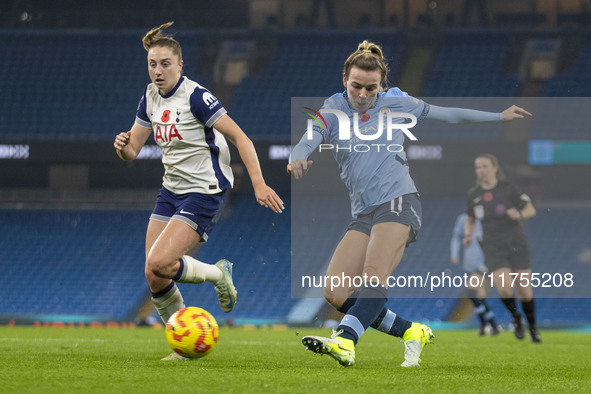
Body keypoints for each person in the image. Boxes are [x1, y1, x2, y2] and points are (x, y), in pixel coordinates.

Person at [288, 40, 531, 368]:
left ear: (381, 85)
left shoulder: (397, 102)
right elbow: (308, 140)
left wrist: (499, 117)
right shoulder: (331, 108)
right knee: (334, 292)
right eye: (356, 86)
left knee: (374, 278)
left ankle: (345, 340)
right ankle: (411, 331)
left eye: (371, 88)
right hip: (363, 212)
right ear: (344, 79)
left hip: (399, 202)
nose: (362, 94)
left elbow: (448, 115)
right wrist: (299, 157)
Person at [113, 22, 284, 360]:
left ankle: (218, 274)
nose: (158, 71)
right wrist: (121, 147)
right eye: (152, 64)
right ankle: (182, 348)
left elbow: (241, 138)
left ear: (180, 64)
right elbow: (132, 151)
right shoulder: (148, 97)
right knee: (153, 272)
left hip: (204, 190)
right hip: (171, 190)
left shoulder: (196, 96)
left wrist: (259, 183)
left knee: (162, 261)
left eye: (165, 64)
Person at [464, 153, 541, 343]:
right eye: (478, 167)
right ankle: (516, 318)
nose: (481, 170)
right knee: (505, 289)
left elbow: (530, 209)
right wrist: (468, 235)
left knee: (524, 290)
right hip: (492, 246)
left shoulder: (509, 189)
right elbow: (470, 219)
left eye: (484, 166)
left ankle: (532, 328)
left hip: (516, 243)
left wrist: (519, 214)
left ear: (494, 168)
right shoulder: (474, 195)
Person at [451, 212, 500, 336]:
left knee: (471, 291)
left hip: (484, 263)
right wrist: (454, 254)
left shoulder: (489, 218)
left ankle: (486, 324)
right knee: (479, 296)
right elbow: (456, 236)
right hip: (470, 263)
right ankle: (492, 325)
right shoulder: (463, 219)